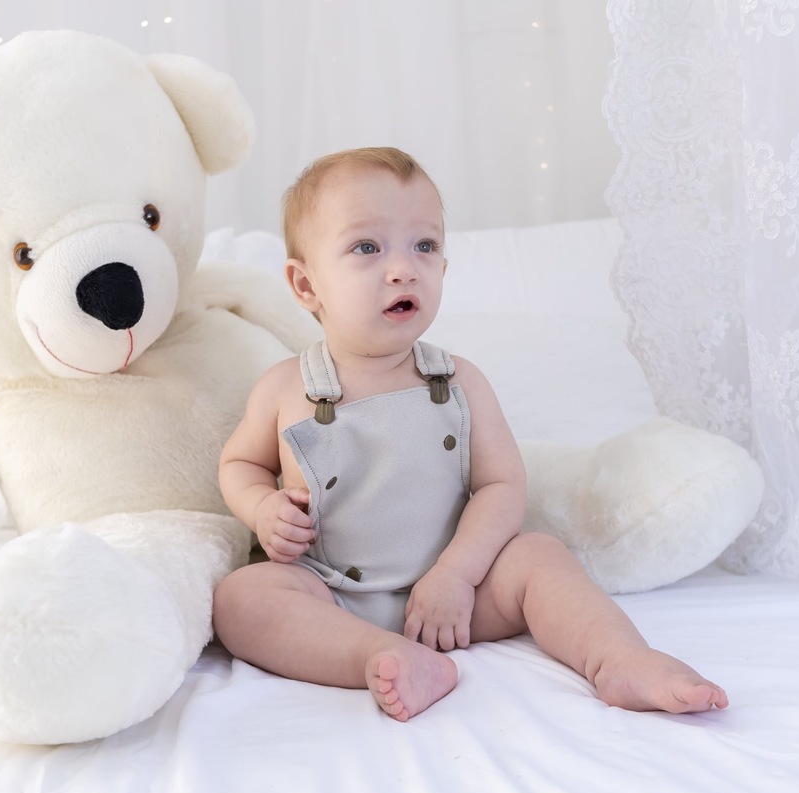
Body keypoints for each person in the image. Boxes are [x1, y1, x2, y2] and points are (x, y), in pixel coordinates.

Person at [213, 146, 728, 722]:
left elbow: (502, 485)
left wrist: (455, 575)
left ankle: (620, 659)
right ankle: (378, 655)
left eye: (425, 246)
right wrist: (262, 509)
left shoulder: (458, 382)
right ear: (306, 285)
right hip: (330, 593)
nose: (404, 267)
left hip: (457, 596)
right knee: (241, 599)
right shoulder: (284, 388)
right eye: (367, 247)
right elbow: (240, 466)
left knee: (539, 554)